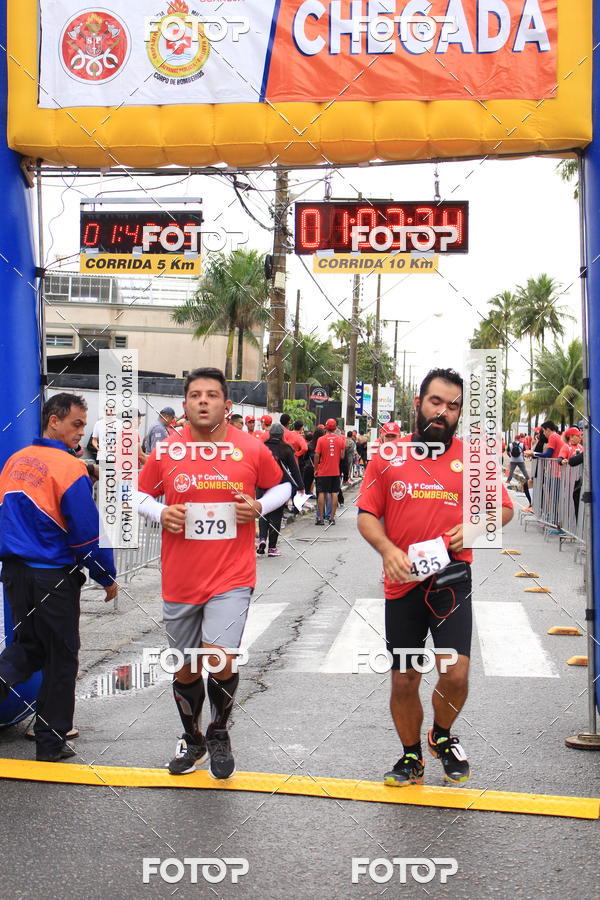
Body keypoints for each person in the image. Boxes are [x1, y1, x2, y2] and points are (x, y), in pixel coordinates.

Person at [357, 368, 514, 787]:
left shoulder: (475, 458)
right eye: (435, 402)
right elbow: (366, 515)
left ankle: (441, 735)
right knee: (405, 676)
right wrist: (388, 550)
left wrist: (479, 526)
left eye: (453, 405)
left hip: (451, 578)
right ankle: (410, 757)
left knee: (456, 672)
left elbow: (504, 509)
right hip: (403, 581)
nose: (443, 412)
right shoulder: (388, 456)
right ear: (418, 403)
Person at [136, 368, 290, 779]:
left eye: (212, 395)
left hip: (231, 576)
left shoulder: (250, 448)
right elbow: (136, 493)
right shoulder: (167, 450)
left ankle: (219, 729)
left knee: (220, 658)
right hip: (181, 577)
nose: (203, 401)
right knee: (185, 668)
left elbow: (283, 488)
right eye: (195, 395)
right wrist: (159, 510)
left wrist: (259, 506)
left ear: (227, 404)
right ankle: (194, 740)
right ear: (185, 404)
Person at [0, 393, 117, 762]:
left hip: (15, 574)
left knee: (29, 646)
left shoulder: (14, 462)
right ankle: (51, 743)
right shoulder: (69, 468)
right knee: (61, 658)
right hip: (52, 576)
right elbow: (85, 534)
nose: (81, 433)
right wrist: (106, 576)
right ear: (54, 421)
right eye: (76, 424)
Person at [257, 424, 303, 557]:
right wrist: (300, 487)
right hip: (279, 486)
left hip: (262, 484)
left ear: (270, 434)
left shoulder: (261, 447)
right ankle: (272, 548)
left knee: (263, 513)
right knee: (276, 516)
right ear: (282, 435)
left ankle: (262, 540)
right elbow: (294, 470)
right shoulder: (286, 449)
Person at [314, 418, 346, 526]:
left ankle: (321, 518)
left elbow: (317, 455)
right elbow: (342, 456)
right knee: (334, 493)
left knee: (322, 493)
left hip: (323, 471)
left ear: (326, 428)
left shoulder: (321, 440)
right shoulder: (340, 440)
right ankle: (332, 518)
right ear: (335, 428)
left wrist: (316, 469)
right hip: (335, 471)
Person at [505, 435, 533, 510]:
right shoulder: (521, 444)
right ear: (519, 439)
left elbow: (507, 451)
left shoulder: (510, 444)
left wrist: (511, 456)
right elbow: (524, 451)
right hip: (520, 460)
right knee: (524, 471)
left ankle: (508, 481)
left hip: (513, 460)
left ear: (514, 438)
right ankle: (528, 479)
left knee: (511, 471)